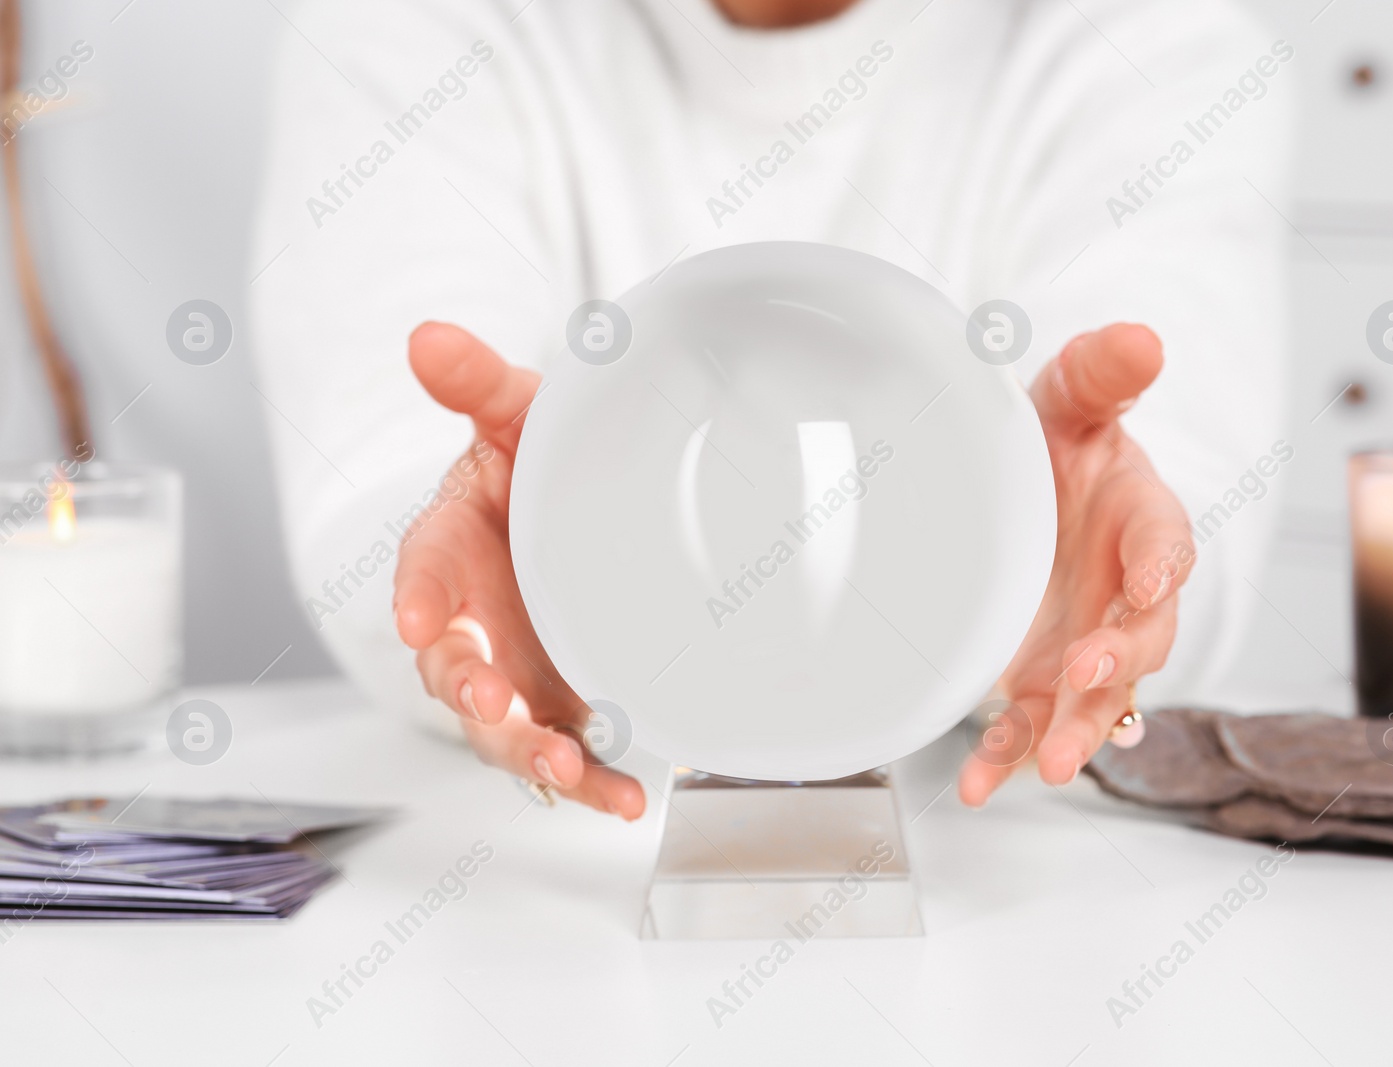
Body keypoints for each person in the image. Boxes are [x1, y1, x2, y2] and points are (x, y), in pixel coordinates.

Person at [251, 0, 1290, 818]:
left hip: (990, 856)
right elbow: (376, 485)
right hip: (547, 868)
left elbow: (1190, 499)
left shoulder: (1155, 42)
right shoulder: (409, 24)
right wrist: (501, 578)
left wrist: (1078, 580)